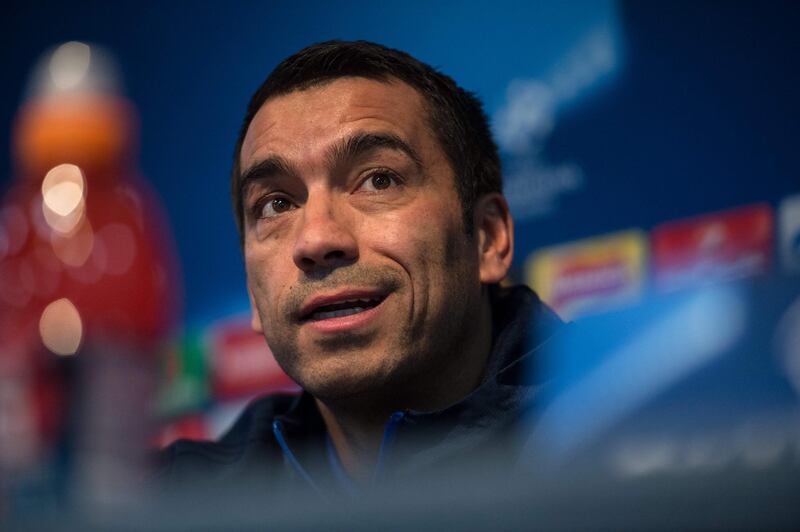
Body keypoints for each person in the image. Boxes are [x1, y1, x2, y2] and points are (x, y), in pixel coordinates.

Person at [156, 40, 562, 502]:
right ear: (252, 290)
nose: (316, 240)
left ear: (488, 238)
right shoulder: (176, 503)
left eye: (378, 180)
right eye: (276, 204)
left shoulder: (628, 432)